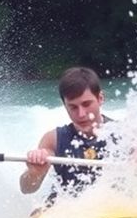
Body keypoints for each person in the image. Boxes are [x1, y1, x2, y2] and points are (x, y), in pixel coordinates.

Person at [20, 67, 113, 205]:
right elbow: (27, 189)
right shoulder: (53, 139)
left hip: (113, 205)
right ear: (65, 106)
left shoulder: (125, 133)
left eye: (86, 104)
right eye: (73, 107)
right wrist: (34, 173)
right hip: (64, 207)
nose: (81, 114)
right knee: (36, 214)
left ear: (100, 98)